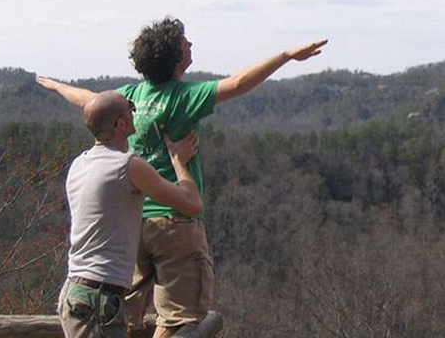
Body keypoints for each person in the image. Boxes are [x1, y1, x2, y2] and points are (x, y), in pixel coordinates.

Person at [37, 18, 327, 338]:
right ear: (175, 57)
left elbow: (90, 101)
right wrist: (285, 56)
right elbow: (238, 83)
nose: (190, 45)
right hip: (176, 220)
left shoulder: (129, 96)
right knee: (179, 320)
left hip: (134, 225)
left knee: (123, 318)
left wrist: (58, 87)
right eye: (184, 42)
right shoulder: (185, 96)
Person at [58, 90, 202, 338]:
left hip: (75, 291)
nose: (136, 114)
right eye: (131, 109)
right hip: (99, 298)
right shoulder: (127, 166)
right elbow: (191, 204)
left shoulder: (79, 164)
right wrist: (179, 161)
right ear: (120, 124)